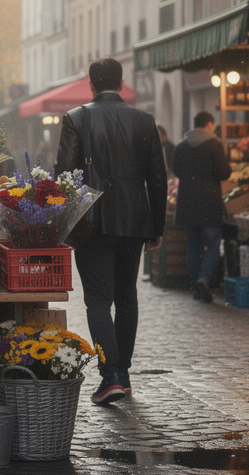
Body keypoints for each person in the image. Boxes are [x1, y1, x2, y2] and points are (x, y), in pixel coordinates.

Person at [55, 57, 167, 406]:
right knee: (127, 296)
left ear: (91, 84)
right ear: (121, 84)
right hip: (135, 221)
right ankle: (123, 373)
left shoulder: (77, 118)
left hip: (93, 223)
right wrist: (156, 227)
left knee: (98, 300)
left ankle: (111, 375)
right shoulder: (145, 120)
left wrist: (62, 225)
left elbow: (65, 176)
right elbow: (158, 178)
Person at [172, 112, 231, 303]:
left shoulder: (181, 146)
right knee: (213, 243)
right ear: (209, 125)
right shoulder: (214, 145)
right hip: (209, 202)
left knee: (194, 245)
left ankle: (196, 287)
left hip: (188, 203)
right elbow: (224, 173)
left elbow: (177, 171)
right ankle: (204, 279)